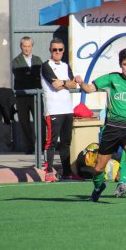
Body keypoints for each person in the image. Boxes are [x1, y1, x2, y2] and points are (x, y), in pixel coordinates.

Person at [75, 48, 126, 202]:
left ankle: (123, 182)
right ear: (120, 64)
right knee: (98, 168)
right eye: (125, 64)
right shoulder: (112, 78)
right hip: (112, 127)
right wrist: (81, 83)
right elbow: (89, 89)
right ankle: (98, 187)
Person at [41, 38, 78, 182]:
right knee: (51, 142)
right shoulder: (46, 66)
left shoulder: (65, 65)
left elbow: (74, 84)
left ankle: (67, 172)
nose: (57, 52)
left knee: (66, 142)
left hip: (67, 109)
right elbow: (55, 85)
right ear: (50, 50)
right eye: (54, 49)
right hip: (54, 109)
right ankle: (48, 172)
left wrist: (64, 82)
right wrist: (66, 83)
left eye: (60, 50)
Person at [12, 36, 44, 154]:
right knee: (24, 122)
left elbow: (41, 75)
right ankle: (29, 147)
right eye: (24, 46)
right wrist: (33, 75)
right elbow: (20, 77)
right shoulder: (16, 61)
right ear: (21, 47)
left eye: (29, 46)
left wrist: (29, 74)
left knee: (40, 120)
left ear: (32, 47)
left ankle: (41, 146)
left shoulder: (38, 59)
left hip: (36, 94)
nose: (26, 49)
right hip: (22, 96)